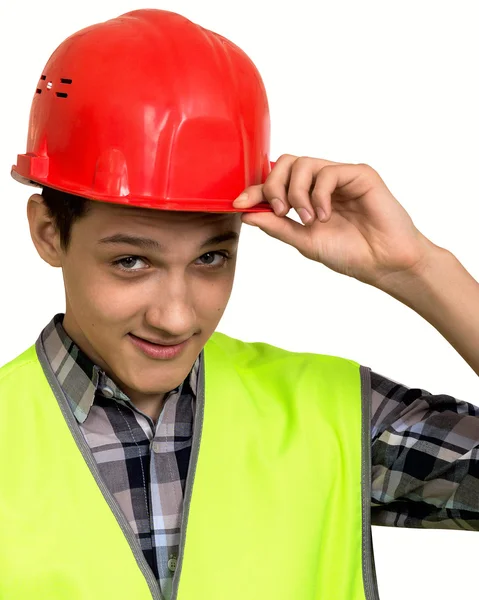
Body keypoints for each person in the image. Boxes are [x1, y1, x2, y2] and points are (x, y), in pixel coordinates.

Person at [1, 7, 478, 600]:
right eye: (131, 262)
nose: (176, 317)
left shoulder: (336, 417)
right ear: (49, 232)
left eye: (211, 259)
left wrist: (420, 269)